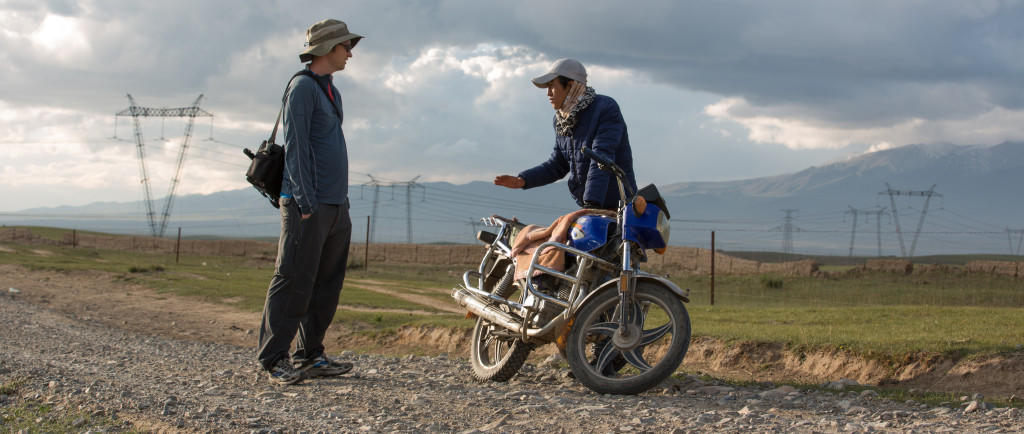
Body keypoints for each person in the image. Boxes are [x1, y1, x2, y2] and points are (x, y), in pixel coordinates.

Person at [257, 18, 362, 385]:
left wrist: (339, 203)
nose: (350, 52)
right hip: (308, 203)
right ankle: (273, 359)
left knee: (326, 283)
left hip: (335, 204)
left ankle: (310, 355)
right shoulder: (301, 88)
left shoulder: (330, 89)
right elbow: (298, 146)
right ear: (327, 48)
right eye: (345, 46)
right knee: (293, 279)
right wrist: (304, 200)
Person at [494, 58, 636, 210]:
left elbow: (601, 158)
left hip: (620, 207)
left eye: (552, 87)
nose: (548, 93)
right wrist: (522, 180)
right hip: (591, 207)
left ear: (570, 85)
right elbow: (557, 164)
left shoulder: (605, 108)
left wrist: (591, 204)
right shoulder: (561, 119)